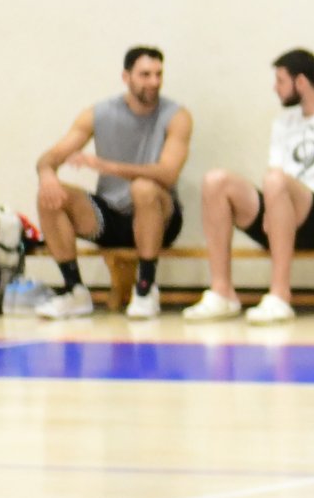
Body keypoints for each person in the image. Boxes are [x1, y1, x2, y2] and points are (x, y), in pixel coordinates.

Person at [184, 50, 314, 324]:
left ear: (300, 82)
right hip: (283, 210)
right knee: (216, 181)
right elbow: (274, 174)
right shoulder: (284, 123)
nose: (275, 88)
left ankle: (280, 295)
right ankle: (222, 292)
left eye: (280, 81)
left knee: (276, 181)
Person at [30, 46, 194, 321]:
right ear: (126, 77)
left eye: (158, 74)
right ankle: (74, 292)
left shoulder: (177, 116)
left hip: (159, 214)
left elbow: (168, 174)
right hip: (112, 215)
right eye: (145, 75)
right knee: (49, 194)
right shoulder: (98, 113)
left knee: (143, 187)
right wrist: (47, 174)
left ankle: (145, 289)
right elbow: (52, 156)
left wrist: (109, 167)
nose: (154, 82)